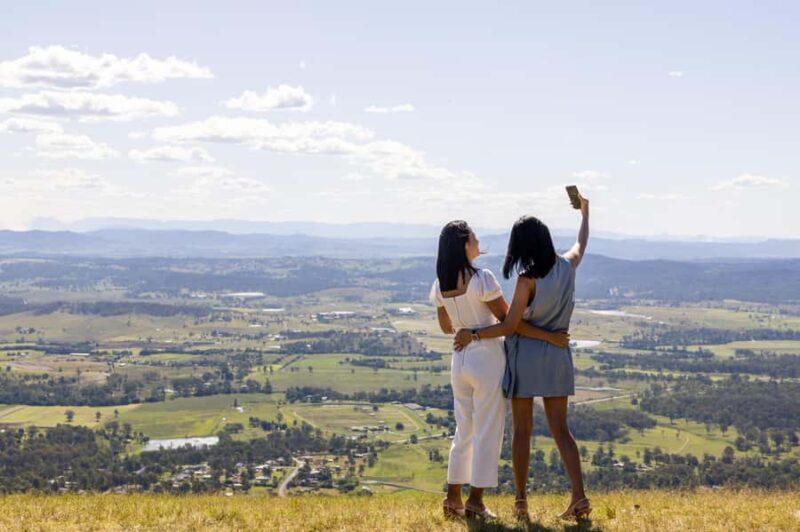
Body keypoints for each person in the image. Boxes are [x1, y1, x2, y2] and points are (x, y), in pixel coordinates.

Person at [454, 194, 591, 521]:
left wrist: (472, 334)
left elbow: (512, 326)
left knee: (522, 431)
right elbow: (580, 242)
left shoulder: (527, 280)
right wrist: (586, 212)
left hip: (527, 359)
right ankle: (579, 497)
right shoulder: (567, 266)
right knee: (562, 430)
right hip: (558, 356)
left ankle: (520, 501)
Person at [431, 220, 570, 520]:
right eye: (474, 237)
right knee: (488, 431)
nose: (479, 240)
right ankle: (476, 502)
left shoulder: (440, 283)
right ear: (465, 244)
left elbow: (446, 327)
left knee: (463, 429)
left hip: (460, 361)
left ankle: (452, 497)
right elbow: (510, 321)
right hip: (486, 360)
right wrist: (548, 336)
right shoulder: (483, 279)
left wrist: (464, 328)